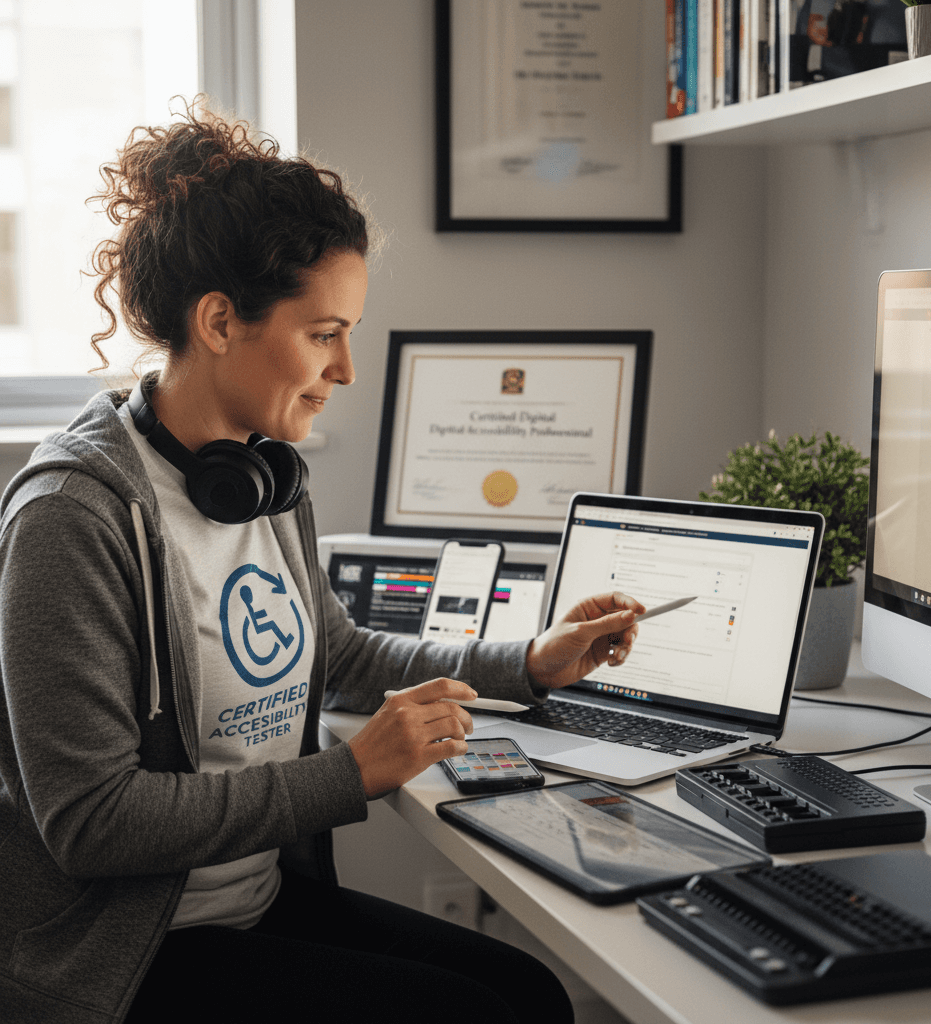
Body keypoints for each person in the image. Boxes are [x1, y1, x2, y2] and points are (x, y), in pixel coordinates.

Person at [0, 103, 643, 1024]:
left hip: (250, 906)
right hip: (124, 956)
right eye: (323, 333)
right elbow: (90, 822)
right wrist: (348, 777)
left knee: (528, 991)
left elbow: (337, 658)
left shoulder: (262, 478)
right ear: (220, 321)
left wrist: (528, 660)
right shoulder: (73, 518)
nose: (346, 370)